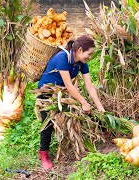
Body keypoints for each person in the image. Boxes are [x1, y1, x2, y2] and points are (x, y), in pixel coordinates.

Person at [37, 35, 105, 170]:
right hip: (47, 93)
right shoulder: (63, 57)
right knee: (48, 124)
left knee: (81, 114)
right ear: (80, 50)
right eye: (89, 54)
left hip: (62, 94)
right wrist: (84, 102)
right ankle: (43, 153)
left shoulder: (81, 63)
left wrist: (100, 107)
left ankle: (86, 143)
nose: (89, 57)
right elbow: (69, 85)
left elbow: (90, 86)